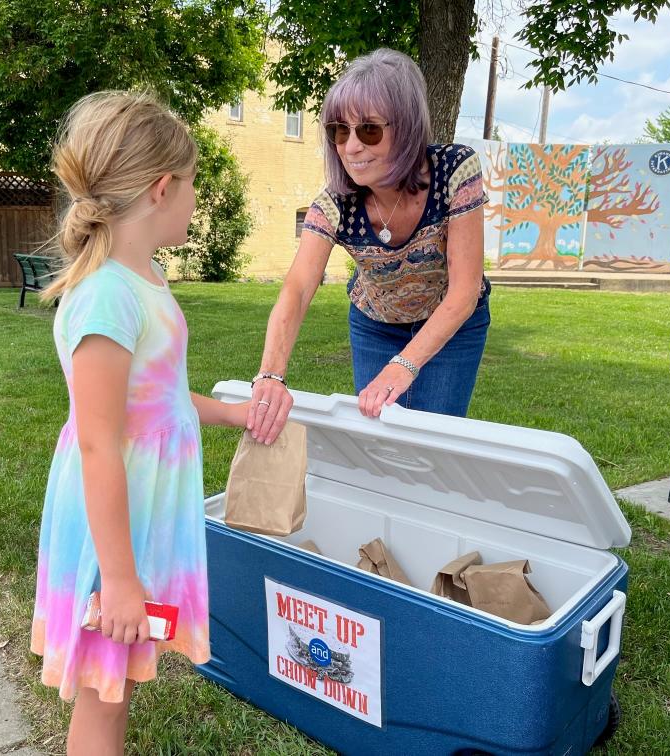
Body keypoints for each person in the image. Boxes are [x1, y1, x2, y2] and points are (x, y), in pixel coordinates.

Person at [29, 91, 249, 756]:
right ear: (162, 188)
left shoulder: (143, 278)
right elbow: (98, 443)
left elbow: (163, 400)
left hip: (142, 518)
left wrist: (233, 416)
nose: (193, 199)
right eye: (191, 185)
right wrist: (121, 581)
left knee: (117, 681)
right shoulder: (105, 298)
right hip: (111, 537)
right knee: (102, 692)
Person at [248, 48, 490, 445]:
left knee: (435, 442)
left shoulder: (455, 170)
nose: (351, 147)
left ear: (408, 127)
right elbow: (297, 288)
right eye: (340, 131)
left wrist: (404, 365)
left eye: (369, 130)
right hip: (375, 324)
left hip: (453, 320)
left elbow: (465, 291)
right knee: (380, 442)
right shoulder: (335, 203)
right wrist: (271, 375)